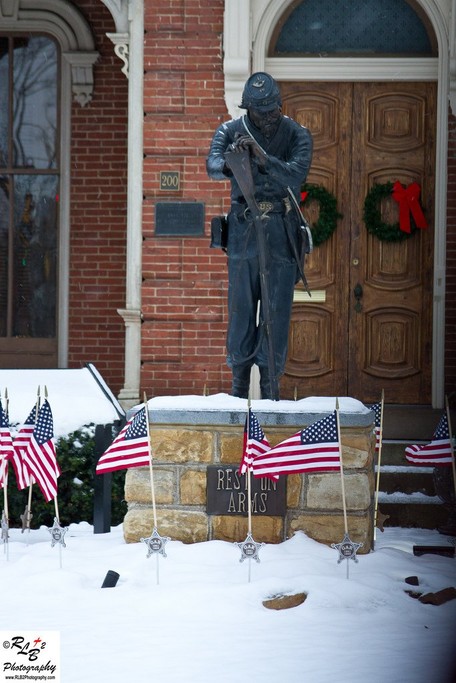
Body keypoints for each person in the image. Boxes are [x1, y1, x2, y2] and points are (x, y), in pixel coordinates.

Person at [206, 72, 313, 399]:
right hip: (243, 230)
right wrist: (233, 160)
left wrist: (265, 159)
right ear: (248, 109)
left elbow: (297, 172)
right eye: (260, 111)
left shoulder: (297, 133)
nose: (268, 117)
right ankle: (237, 390)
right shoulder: (230, 129)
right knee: (240, 308)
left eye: (272, 109)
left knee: (275, 313)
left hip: (280, 229)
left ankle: (270, 391)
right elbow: (211, 165)